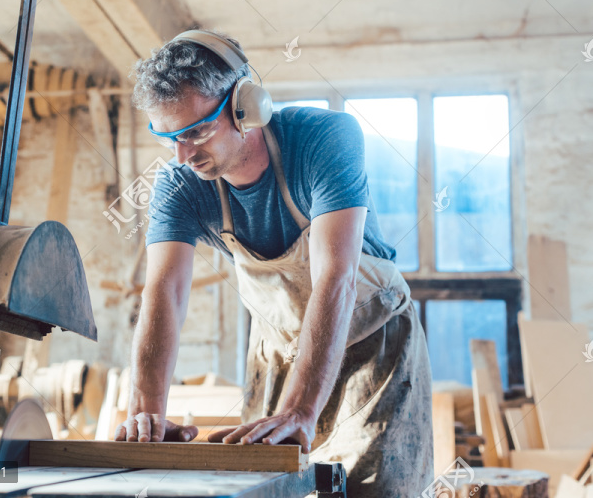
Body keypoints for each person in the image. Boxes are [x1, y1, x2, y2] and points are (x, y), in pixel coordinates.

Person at [114, 30, 433, 497]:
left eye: (197, 132)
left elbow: (336, 278)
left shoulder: (324, 138)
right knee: (265, 484)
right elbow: (164, 291)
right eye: (169, 139)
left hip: (371, 340)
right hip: (280, 348)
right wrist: (146, 413)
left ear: (247, 107)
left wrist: (301, 410)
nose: (184, 155)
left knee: (375, 489)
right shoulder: (179, 182)